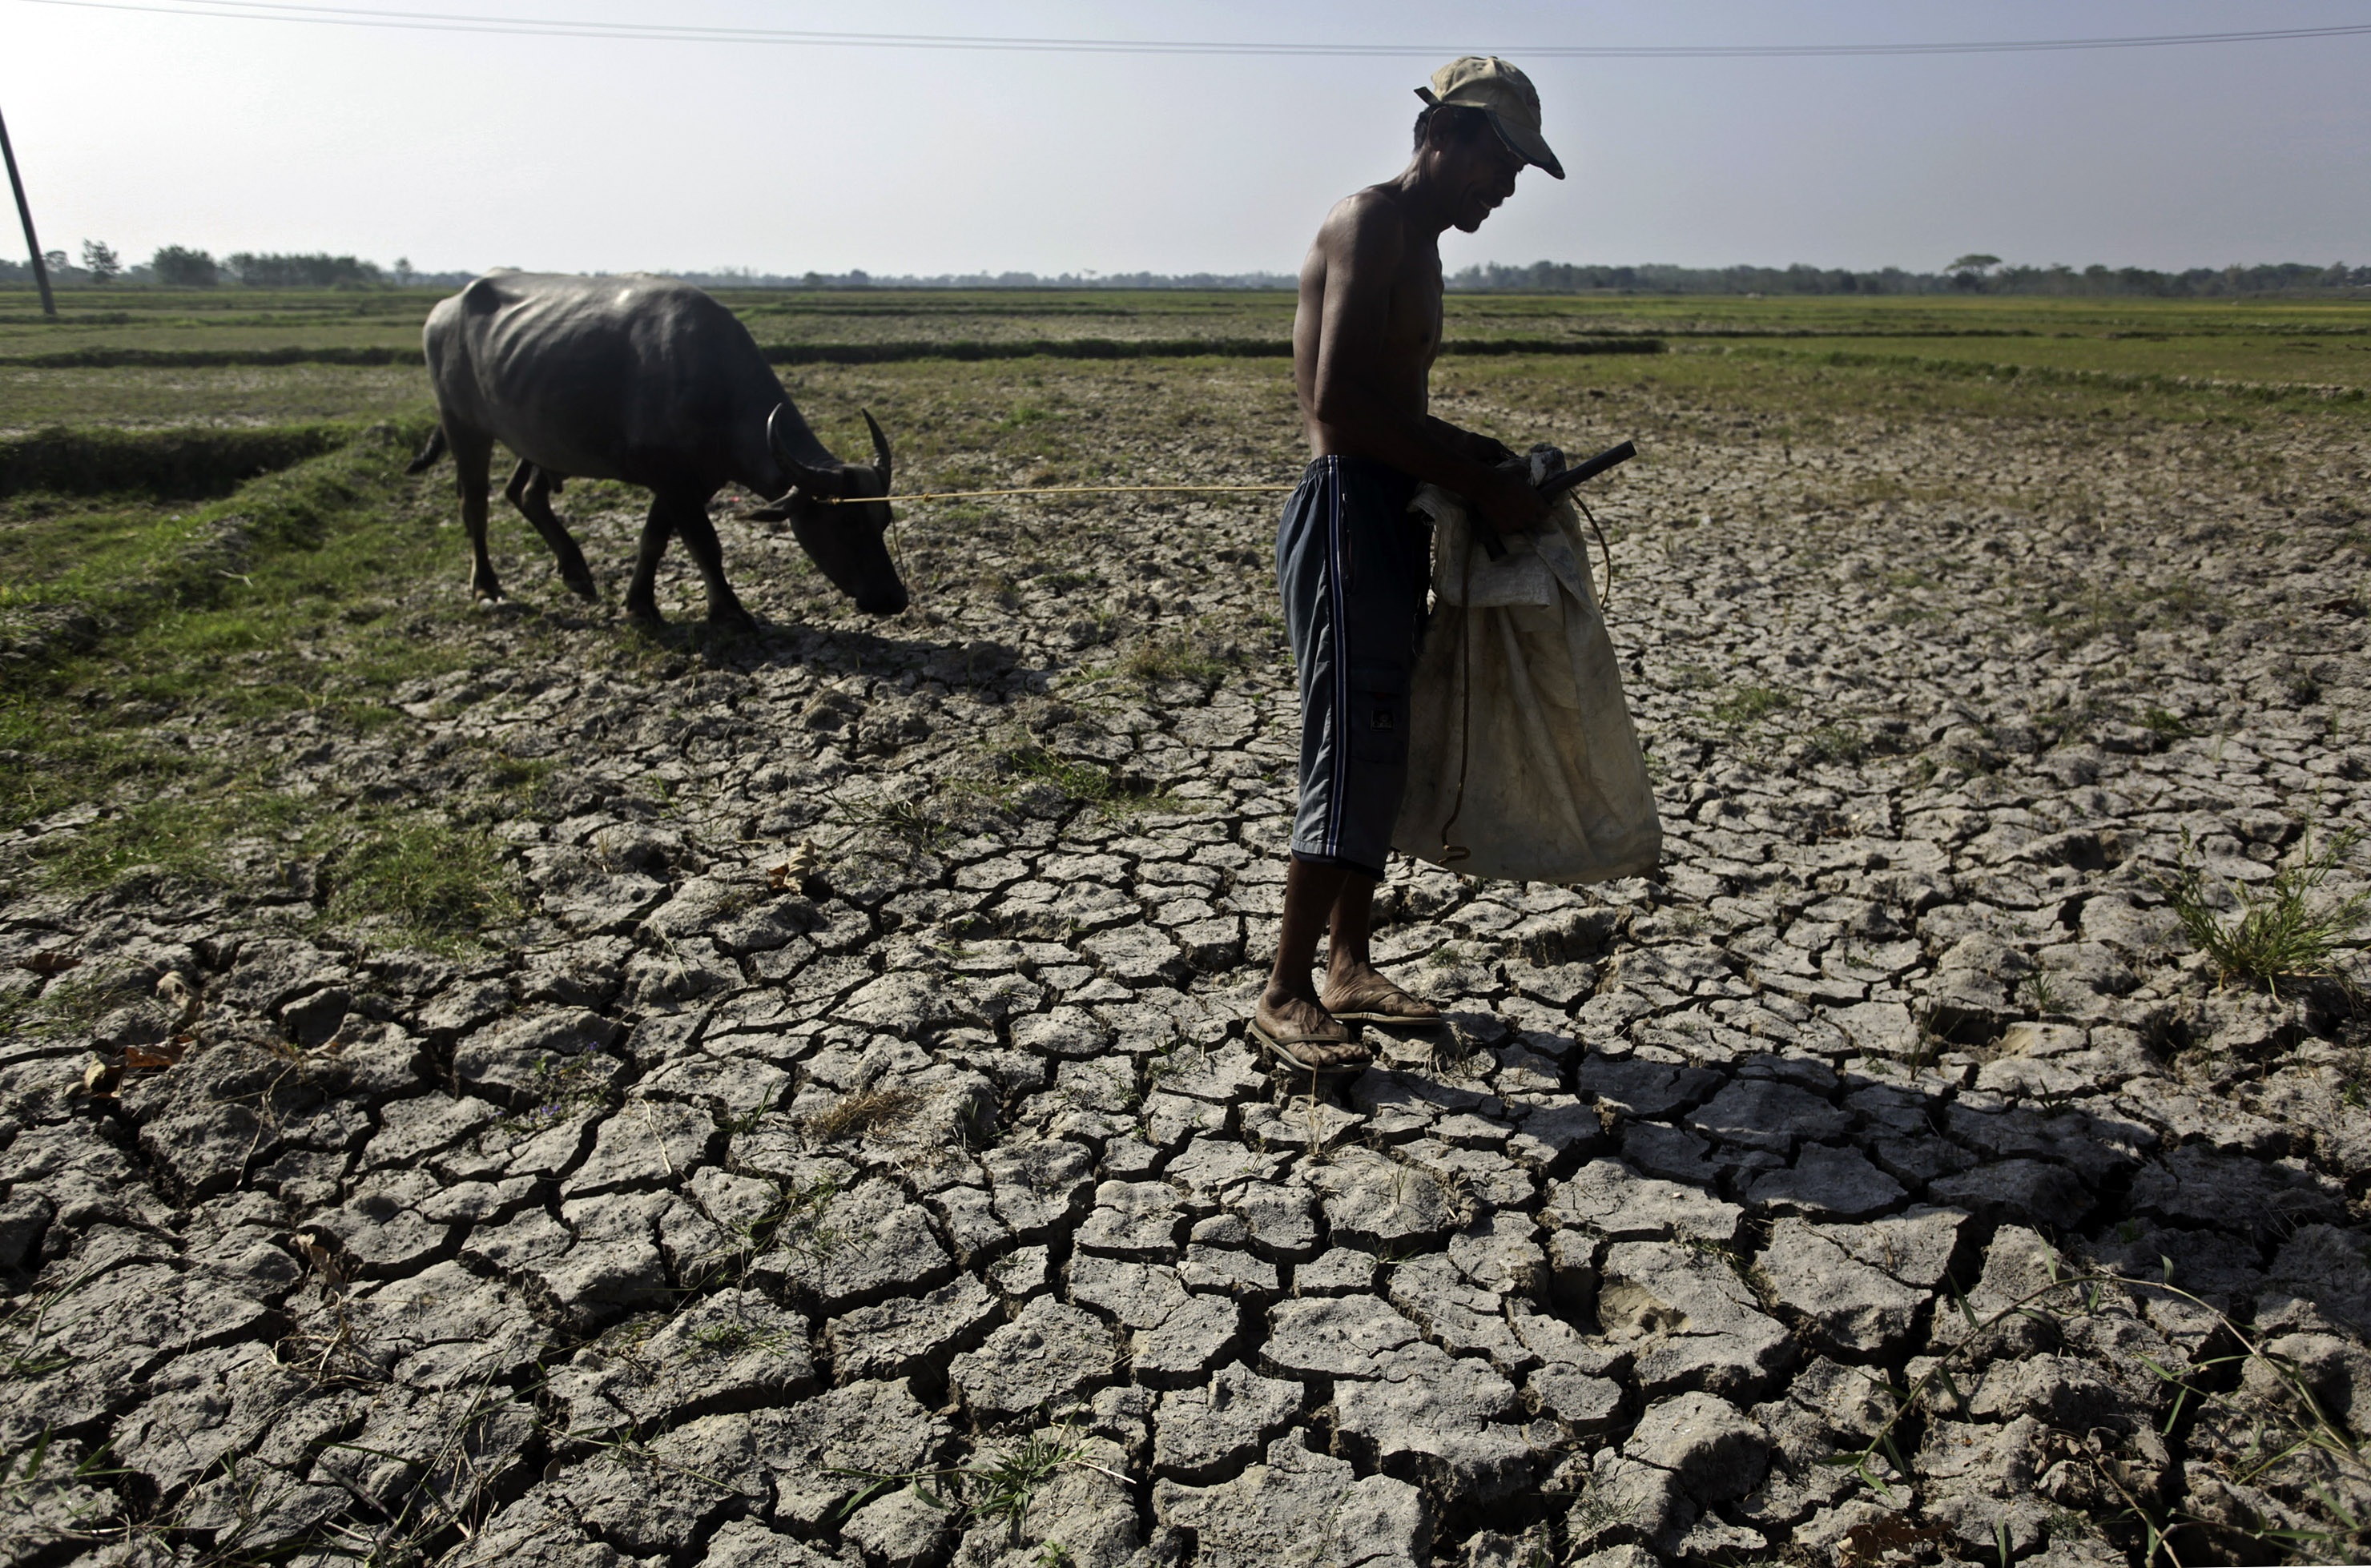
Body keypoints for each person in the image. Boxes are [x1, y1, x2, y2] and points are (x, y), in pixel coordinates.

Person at [1253, 56, 1564, 1072]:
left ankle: (1349, 964)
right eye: (1502, 161)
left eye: (1517, 170)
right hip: (1346, 513)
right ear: (1450, 134)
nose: (1506, 186)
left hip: (1390, 512)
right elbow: (1338, 406)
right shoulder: (1369, 222)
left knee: (1384, 740)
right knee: (1349, 745)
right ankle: (1284, 989)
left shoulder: (1422, 250)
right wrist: (1474, 484)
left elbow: (1399, 410)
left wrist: (1479, 457)